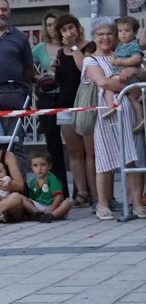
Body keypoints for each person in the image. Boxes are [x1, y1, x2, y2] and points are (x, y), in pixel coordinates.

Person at [81, 17, 146, 221]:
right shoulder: (90, 60)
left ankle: (136, 203)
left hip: (131, 114)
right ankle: (102, 203)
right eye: (100, 34)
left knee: (135, 157)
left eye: (109, 33)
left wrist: (133, 70)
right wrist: (129, 89)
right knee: (105, 159)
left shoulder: (123, 53)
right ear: (93, 37)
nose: (105, 38)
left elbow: (143, 74)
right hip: (107, 114)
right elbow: (103, 82)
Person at [54, 14, 95, 208]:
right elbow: (61, 79)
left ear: (78, 27)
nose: (68, 32)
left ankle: (96, 193)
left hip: (85, 103)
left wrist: (74, 48)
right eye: (63, 30)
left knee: (90, 152)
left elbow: (84, 69)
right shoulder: (60, 52)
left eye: (71, 27)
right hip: (65, 103)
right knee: (74, 151)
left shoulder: (89, 46)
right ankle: (81, 192)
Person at [32, 10, 69, 192]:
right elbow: (27, 68)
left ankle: (82, 192)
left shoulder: (71, 46)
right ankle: (59, 190)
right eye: (48, 25)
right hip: (47, 97)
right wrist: (39, 76)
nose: (52, 28)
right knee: (53, 145)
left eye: (55, 24)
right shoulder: (40, 48)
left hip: (68, 96)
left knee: (75, 146)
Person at [20, 152, 72, 222]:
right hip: (39, 207)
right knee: (22, 198)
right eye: (35, 165)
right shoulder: (33, 182)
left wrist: (51, 210)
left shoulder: (51, 178)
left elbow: (58, 197)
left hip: (53, 206)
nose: (39, 168)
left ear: (49, 166)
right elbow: (32, 199)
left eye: (43, 165)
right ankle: (37, 214)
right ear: (31, 167)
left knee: (67, 203)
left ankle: (51, 216)